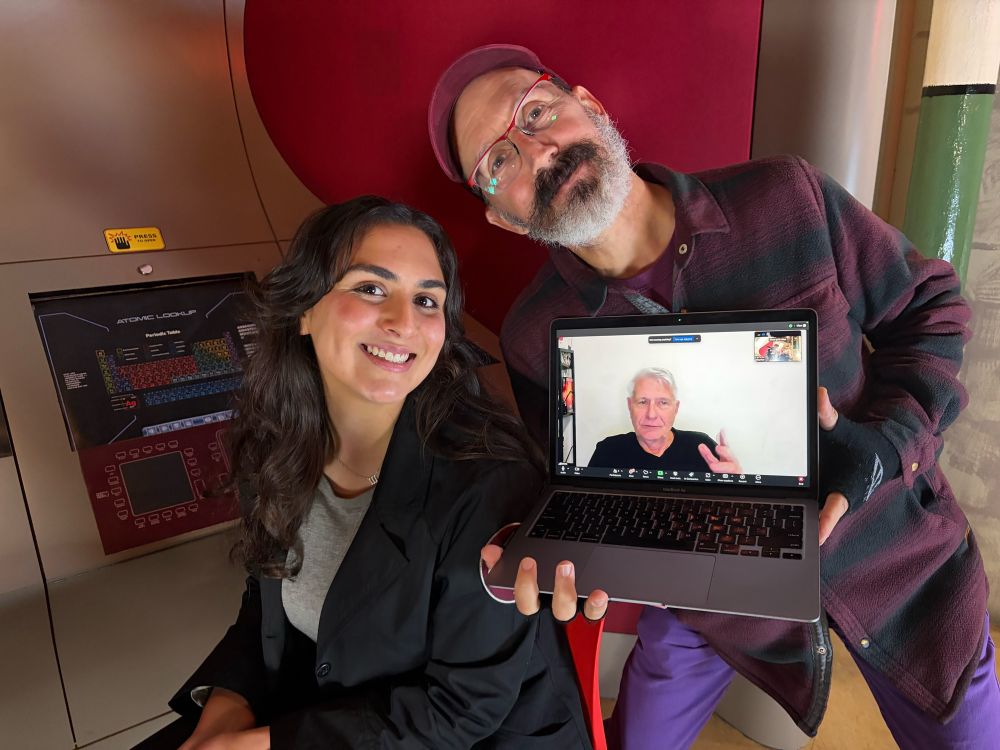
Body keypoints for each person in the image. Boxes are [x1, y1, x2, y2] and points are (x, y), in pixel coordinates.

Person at [429, 44, 998, 749]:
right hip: (708, 593)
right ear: (504, 218)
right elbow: (575, 482)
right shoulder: (531, 335)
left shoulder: (785, 196)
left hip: (896, 558)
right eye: (499, 161)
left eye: (537, 112)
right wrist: (536, 543)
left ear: (592, 107)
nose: (538, 150)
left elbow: (933, 311)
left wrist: (888, 445)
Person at [135, 197, 591, 749]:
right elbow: (265, 608)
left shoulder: (489, 482)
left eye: (427, 300)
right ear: (303, 310)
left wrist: (259, 745)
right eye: (371, 288)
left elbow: (461, 711)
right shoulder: (274, 445)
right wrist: (222, 713)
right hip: (337, 708)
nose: (404, 322)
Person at [588, 367, 740, 474]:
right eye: (642, 402)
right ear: (629, 406)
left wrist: (736, 485)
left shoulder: (701, 447)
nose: (651, 414)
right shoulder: (607, 451)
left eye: (663, 403)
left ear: (676, 408)